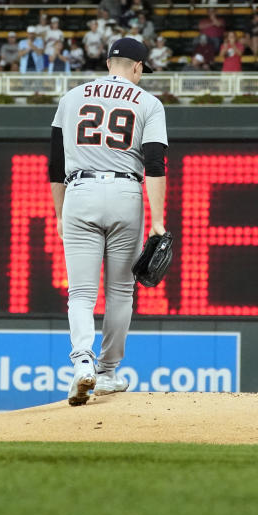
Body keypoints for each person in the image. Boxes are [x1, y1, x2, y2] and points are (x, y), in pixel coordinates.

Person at [48, 37, 168, 406]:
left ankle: (82, 363)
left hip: (79, 191)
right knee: (120, 292)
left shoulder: (70, 98)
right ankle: (107, 373)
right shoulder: (148, 102)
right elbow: (154, 163)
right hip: (124, 194)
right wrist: (158, 222)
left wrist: (59, 215)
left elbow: (54, 165)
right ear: (137, 67)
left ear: (108, 64)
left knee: (81, 293)